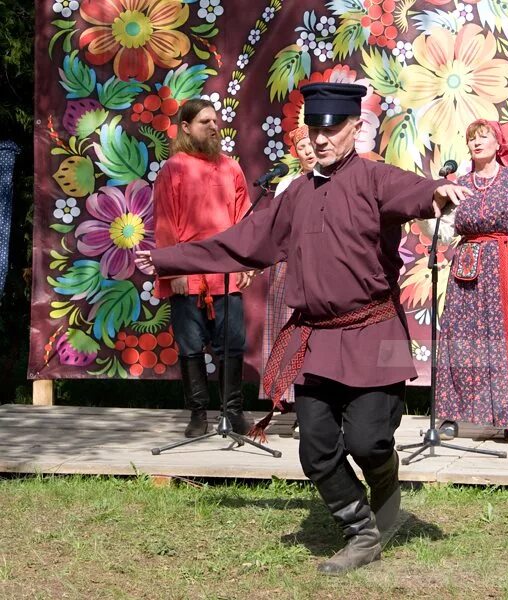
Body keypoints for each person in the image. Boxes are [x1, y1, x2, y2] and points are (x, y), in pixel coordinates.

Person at [136, 82, 470, 574]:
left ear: (356, 128)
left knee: (369, 442)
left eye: (332, 128)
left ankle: (385, 481)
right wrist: (166, 259)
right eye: (314, 129)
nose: (321, 138)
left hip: (374, 332)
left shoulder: (375, 179)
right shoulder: (294, 194)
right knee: (315, 449)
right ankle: (361, 531)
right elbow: (239, 242)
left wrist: (435, 191)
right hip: (314, 339)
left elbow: (412, 190)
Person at [429, 120, 508, 443]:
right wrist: (438, 206)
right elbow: (445, 236)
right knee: (460, 339)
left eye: (484, 136)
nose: (477, 143)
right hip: (468, 270)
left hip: (506, 263)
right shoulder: (459, 183)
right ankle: (451, 415)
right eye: (471, 138)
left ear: (497, 143)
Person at [152, 98, 254, 438]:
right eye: (204, 122)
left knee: (232, 345)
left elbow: (244, 220)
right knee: (191, 345)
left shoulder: (231, 168)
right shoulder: (174, 168)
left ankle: (233, 413)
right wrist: (175, 270)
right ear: (185, 128)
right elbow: (165, 222)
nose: (213, 127)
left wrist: (245, 262)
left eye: (215, 121)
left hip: (224, 273)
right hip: (188, 274)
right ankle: (198, 414)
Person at [258, 125, 317, 437]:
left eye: (311, 145)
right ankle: (295, 409)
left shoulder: (335, 181)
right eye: (302, 147)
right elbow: (275, 230)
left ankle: (318, 408)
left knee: (316, 340)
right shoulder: (288, 186)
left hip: (320, 268)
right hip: (290, 268)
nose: (308, 151)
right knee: (291, 338)